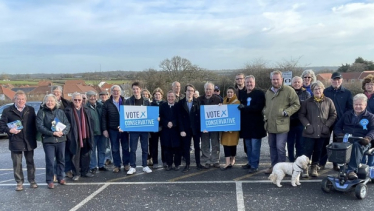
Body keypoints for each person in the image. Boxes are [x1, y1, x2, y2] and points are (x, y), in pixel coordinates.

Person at [263, 70, 300, 174]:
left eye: (277, 79)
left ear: (282, 79)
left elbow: (296, 104)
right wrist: (265, 115)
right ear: (271, 80)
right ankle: (274, 167)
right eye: (273, 79)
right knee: (272, 147)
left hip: (282, 125)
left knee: (280, 148)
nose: (275, 81)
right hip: (270, 125)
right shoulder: (268, 92)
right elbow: (266, 106)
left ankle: (282, 169)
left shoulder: (289, 90)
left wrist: (286, 112)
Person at [0, 91, 38, 191]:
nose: (20, 101)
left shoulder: (31, 109)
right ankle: (19, 182)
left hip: (28, 140)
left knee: (30, 162)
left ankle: (32, 181)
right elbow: (1, 126)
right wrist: (9, 130)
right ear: (14, 100)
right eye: (18, 99)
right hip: (15, 140)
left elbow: (35, 124)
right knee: (17, 163)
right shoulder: (7, 111)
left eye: (22, 99)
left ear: (25, 100)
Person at [299, 81, 337, 177]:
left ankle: (314, 167)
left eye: (319, 88)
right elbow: (301, 115)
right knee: (307, 150)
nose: (317, 90)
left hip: (322, 131)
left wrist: (327, 125)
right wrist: (307, 125)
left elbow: (333, 115)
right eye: (315, 89)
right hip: (310, 132)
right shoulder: (307, 102)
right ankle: (305, 168)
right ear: (312, 90)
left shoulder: (329, 101)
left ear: (323, 89)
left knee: (318, 150)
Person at [334, 94, 374, 180]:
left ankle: (351, 171)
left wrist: (368, 138)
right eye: (356, 104)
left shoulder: (370, 117)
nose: (358, 106)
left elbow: (373, 130)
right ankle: (341, 170)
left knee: (356, 145)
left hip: (362, 141)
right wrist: (340, 134)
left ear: (365, 105)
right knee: (337, 146)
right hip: (348, 139)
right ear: (353, 104)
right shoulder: (347, 114)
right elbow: (337, 127)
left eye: (360, 104)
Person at [319, 72, 353, 170]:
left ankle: (336, 163)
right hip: (327, 121)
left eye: (338, 79)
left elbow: (350, 108)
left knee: (338, 143)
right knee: (324, 142)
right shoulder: (325, 91)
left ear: (341, 80)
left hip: (340, 123)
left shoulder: (347, 93)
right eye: (334, 79)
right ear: (331, 80)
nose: (336, 81)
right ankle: (322, 163)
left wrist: (344, 117)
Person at [36, 94, 71, 189]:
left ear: (56, 102)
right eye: (48, 101)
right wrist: (53, 133)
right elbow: (40, 127)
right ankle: (50, 180)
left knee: (61, 160)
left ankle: (61, 177)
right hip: (48, 141)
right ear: (45, 102)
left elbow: (67, 124)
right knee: (50, 161)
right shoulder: (41, 112)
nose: (50, 103)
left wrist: (63, 132)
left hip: (61, 140)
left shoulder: (60, 112)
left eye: (52, 101)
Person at [238, 76, 266, 173]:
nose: (249, 84)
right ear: (245, 83)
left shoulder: (259, 93)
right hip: (246, 125)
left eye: (251, 82)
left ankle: (254, 165)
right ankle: (250, 162)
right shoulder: (242, 94)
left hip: (256, 125)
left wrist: (245, 108)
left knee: (255, 147)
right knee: (248, 147)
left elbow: (258, 107)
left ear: (254, 82)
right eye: (247, 82)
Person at [64, 92, 95, 181]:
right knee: (75, 156)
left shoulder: (86, 109)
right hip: (74, 136)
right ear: (72, 100)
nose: (77, 101)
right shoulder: (68, 110)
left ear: (82, 100)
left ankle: (85, 171)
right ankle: (76, 173)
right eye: (75, 100)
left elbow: (90, 122)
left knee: (86, 154)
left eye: (79, 100)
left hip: (86, 135)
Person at [125, 82, 152, 175]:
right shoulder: (128, 101)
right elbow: (125, 115)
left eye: (137, 89)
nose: (135, 91)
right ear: (132, 90)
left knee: (145, 148)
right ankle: (132, 166)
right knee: (133, 149)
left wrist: (156, 118)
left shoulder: (146, 101)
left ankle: (145, 165)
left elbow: (150, 114)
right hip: (133, 130)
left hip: (144, 129)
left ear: (140, 89)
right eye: (134, 89)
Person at [102, 85, 129, 173]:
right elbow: (104, 118)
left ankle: (126, 164)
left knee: (125, 147)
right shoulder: (107, 103)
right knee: (114, 148)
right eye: (114, 91)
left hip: (124, 129)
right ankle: (117, 165)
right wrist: (105, 129)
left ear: (120, 92)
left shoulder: (126, 101)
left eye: (117, 91)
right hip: (112, 129)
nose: (116, 92)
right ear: (111, 92)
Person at [178, 84, 203, 172]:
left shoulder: (198, 102)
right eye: (188, 90)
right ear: (185, 92)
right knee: (186, 148)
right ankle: (187, 165)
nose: (190, 92)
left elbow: (201, 116)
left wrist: (202, 128)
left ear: (194, 92)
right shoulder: (181, 103)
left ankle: (198, 164)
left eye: (192, 91)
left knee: (197, 147)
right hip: (185, 130)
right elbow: (179, 118)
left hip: (195, 129)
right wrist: (181, 130)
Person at [287, 76, 311, 162]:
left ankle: (299, 160)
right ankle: (290, 159)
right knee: (290, 143)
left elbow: (308, 108)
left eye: (298, 82)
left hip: (301, 122)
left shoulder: (306, 94)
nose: (296, 84)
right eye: (295, 82)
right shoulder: (287, 92)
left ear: (302, 83)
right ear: (292, 83)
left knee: (300, 143)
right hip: (289, 122)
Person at [198, 82, 222, 169]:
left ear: (213, 90)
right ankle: (206, 160)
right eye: (207, 89)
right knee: (205, 143)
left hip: (214, 126)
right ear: (204, 90)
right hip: (204, 126)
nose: (208, 91)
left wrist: (220, 106)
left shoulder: (217, 99)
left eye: (210, 89)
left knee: (215, 143)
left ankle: (215, 160)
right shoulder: (199, 99)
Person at [86, 91, 108, 173]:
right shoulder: (85, 108)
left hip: (102, 132)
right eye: (91, 96)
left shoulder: (100, 106)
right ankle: (93, 166)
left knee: (102, 150)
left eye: (94, 96)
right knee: (92, 151)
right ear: (87, 97)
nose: (93, 98)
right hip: (92, 133)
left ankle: (101, 165)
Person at [160, 91, 181, 171]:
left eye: (172, 97)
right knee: (167, 149)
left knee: (177, 149)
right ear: (166, 97)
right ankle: (169, 164)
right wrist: (166, 123)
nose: (170, 98)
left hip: (176, 130)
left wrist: (173, 123)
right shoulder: (163, 106)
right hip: (166, 131)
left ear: (175, 98)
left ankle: (177, 164)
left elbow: (180, 117)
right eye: (169, 97)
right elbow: (160, 117)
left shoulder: (178, 106)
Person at [220, 87, 240, 170]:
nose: (229, 94)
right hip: (225, 128)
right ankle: (227, 162)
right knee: (226, 145)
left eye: (231, 92)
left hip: (233, 128)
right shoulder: (223, 101)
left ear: (234, 93)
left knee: (233, 144)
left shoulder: (237, 102)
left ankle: (233, 159)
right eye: (228, 92)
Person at [149, 87, 165, 169]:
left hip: (163, 128)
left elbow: (166, 115)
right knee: (154, 146)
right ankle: (155, 161)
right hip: (154, 128)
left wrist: (161, 119)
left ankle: (164, 161)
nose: (157, 96)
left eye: (159, 94)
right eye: (156, 94)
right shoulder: (150, 105)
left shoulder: (164, 104)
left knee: (164, 145)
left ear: (161, 95)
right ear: (153, 96)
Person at [362, 74, 374, 167]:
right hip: (362, 125)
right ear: (364, 86)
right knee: (362, 145)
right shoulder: (360, 96)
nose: (370, 86)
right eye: (367, 84)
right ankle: (361, 167)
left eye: (372, 84)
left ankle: (371, 167)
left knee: (372, 148)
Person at [98, 90, 112, 165]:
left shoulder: (110, 103)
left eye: (105, 95)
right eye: (102, 95)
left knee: (111, 144)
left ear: (108, 95)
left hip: (111, 126)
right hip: (103, 127)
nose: (103, 96)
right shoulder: (98, 104)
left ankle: (109, 158)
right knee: (105, 145)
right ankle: (107, 158)